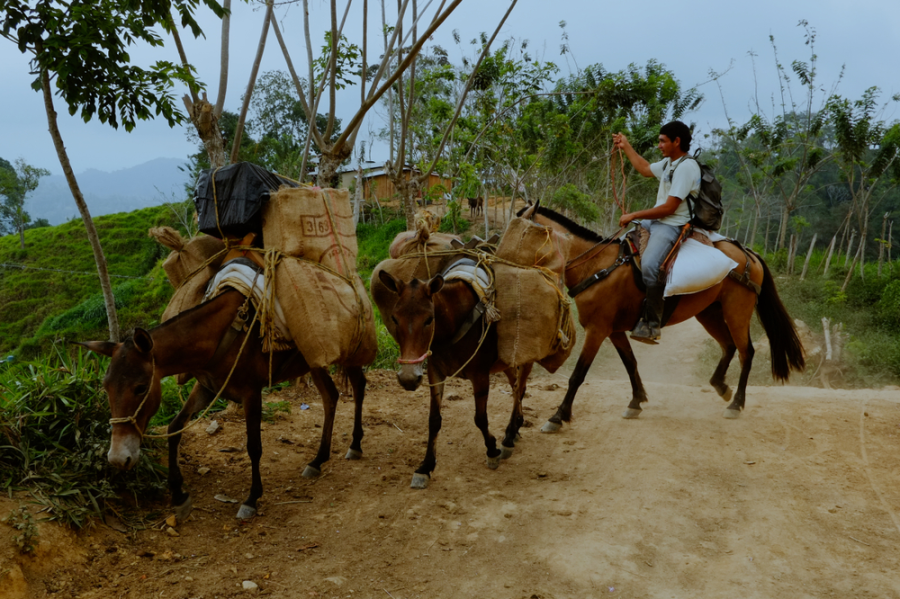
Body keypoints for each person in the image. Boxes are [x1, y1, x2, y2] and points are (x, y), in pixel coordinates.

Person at [612, 121, 701, 344]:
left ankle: (652, 323)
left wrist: (634, 215)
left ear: (677, 141)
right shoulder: (670, 163)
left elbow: (670, 208)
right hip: (654, 222)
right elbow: (644, 169)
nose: (659, 145)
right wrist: (626, 145)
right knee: (617, 250)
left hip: (672, 224)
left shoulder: (686, 167)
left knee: (651, 266)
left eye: (663, 141)